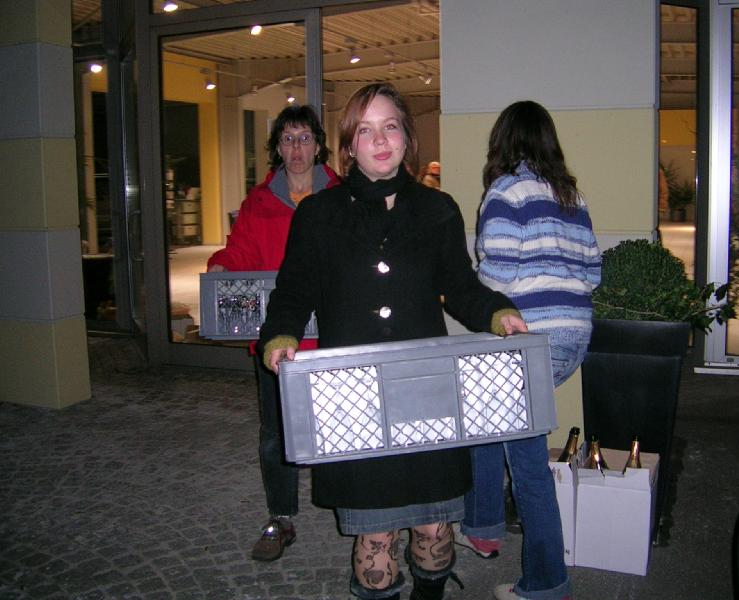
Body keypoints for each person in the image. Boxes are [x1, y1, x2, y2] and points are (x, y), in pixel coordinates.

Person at [258, 83, 528, 600]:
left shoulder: (437, 209)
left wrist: (498, 313)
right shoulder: (318, 215)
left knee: (434, 529)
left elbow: (461, 287)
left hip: (425, 390)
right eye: (365, 130)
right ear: (348, 146)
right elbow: (293, 292)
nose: (380, 140)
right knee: (375, 538)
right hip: (353, 395)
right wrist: (281, 334)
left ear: (406, 136)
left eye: (390, 127)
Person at [456, 100, 601, 600]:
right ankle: (482, 527)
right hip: (573, 336)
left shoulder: (505, 191)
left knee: (527, 462)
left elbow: (496, 274)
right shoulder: (572, 196)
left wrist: (470, 287)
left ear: (502, 141)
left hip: (528, 338)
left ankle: (545, 582)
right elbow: (593, 272)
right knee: (484, 413)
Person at [206, 104, 340, 562]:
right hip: (276, 336)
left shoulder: (341, 196)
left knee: (339, 422)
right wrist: (221, 266)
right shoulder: (258, 202)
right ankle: (282, 515)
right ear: (277, 148)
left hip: (330, 335)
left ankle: (349, 501)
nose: (296, 148)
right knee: (275, 432)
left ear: (318, 146)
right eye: (287, 139)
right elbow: (240, 250)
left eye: (304, 138)